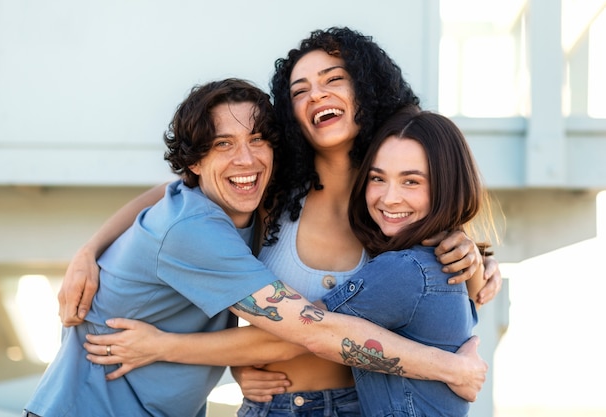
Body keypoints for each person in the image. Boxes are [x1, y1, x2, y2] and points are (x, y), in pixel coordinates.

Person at [60, 27, 501, 416]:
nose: (317, 95)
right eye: (300, 90)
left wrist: (471, 256)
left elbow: (430, 299)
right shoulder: (267, 192)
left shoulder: (392, 207)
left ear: (367, 89)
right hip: (269, 407)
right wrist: (89, 250)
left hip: (358, 406)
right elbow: (178, 194)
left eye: (333, 80)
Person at [320, 104, 494, 416]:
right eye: (377, 178)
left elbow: (310, 331)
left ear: (446, 186)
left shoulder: (405, 270)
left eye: (411, 181)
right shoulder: (440, 266)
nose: (389, 198)